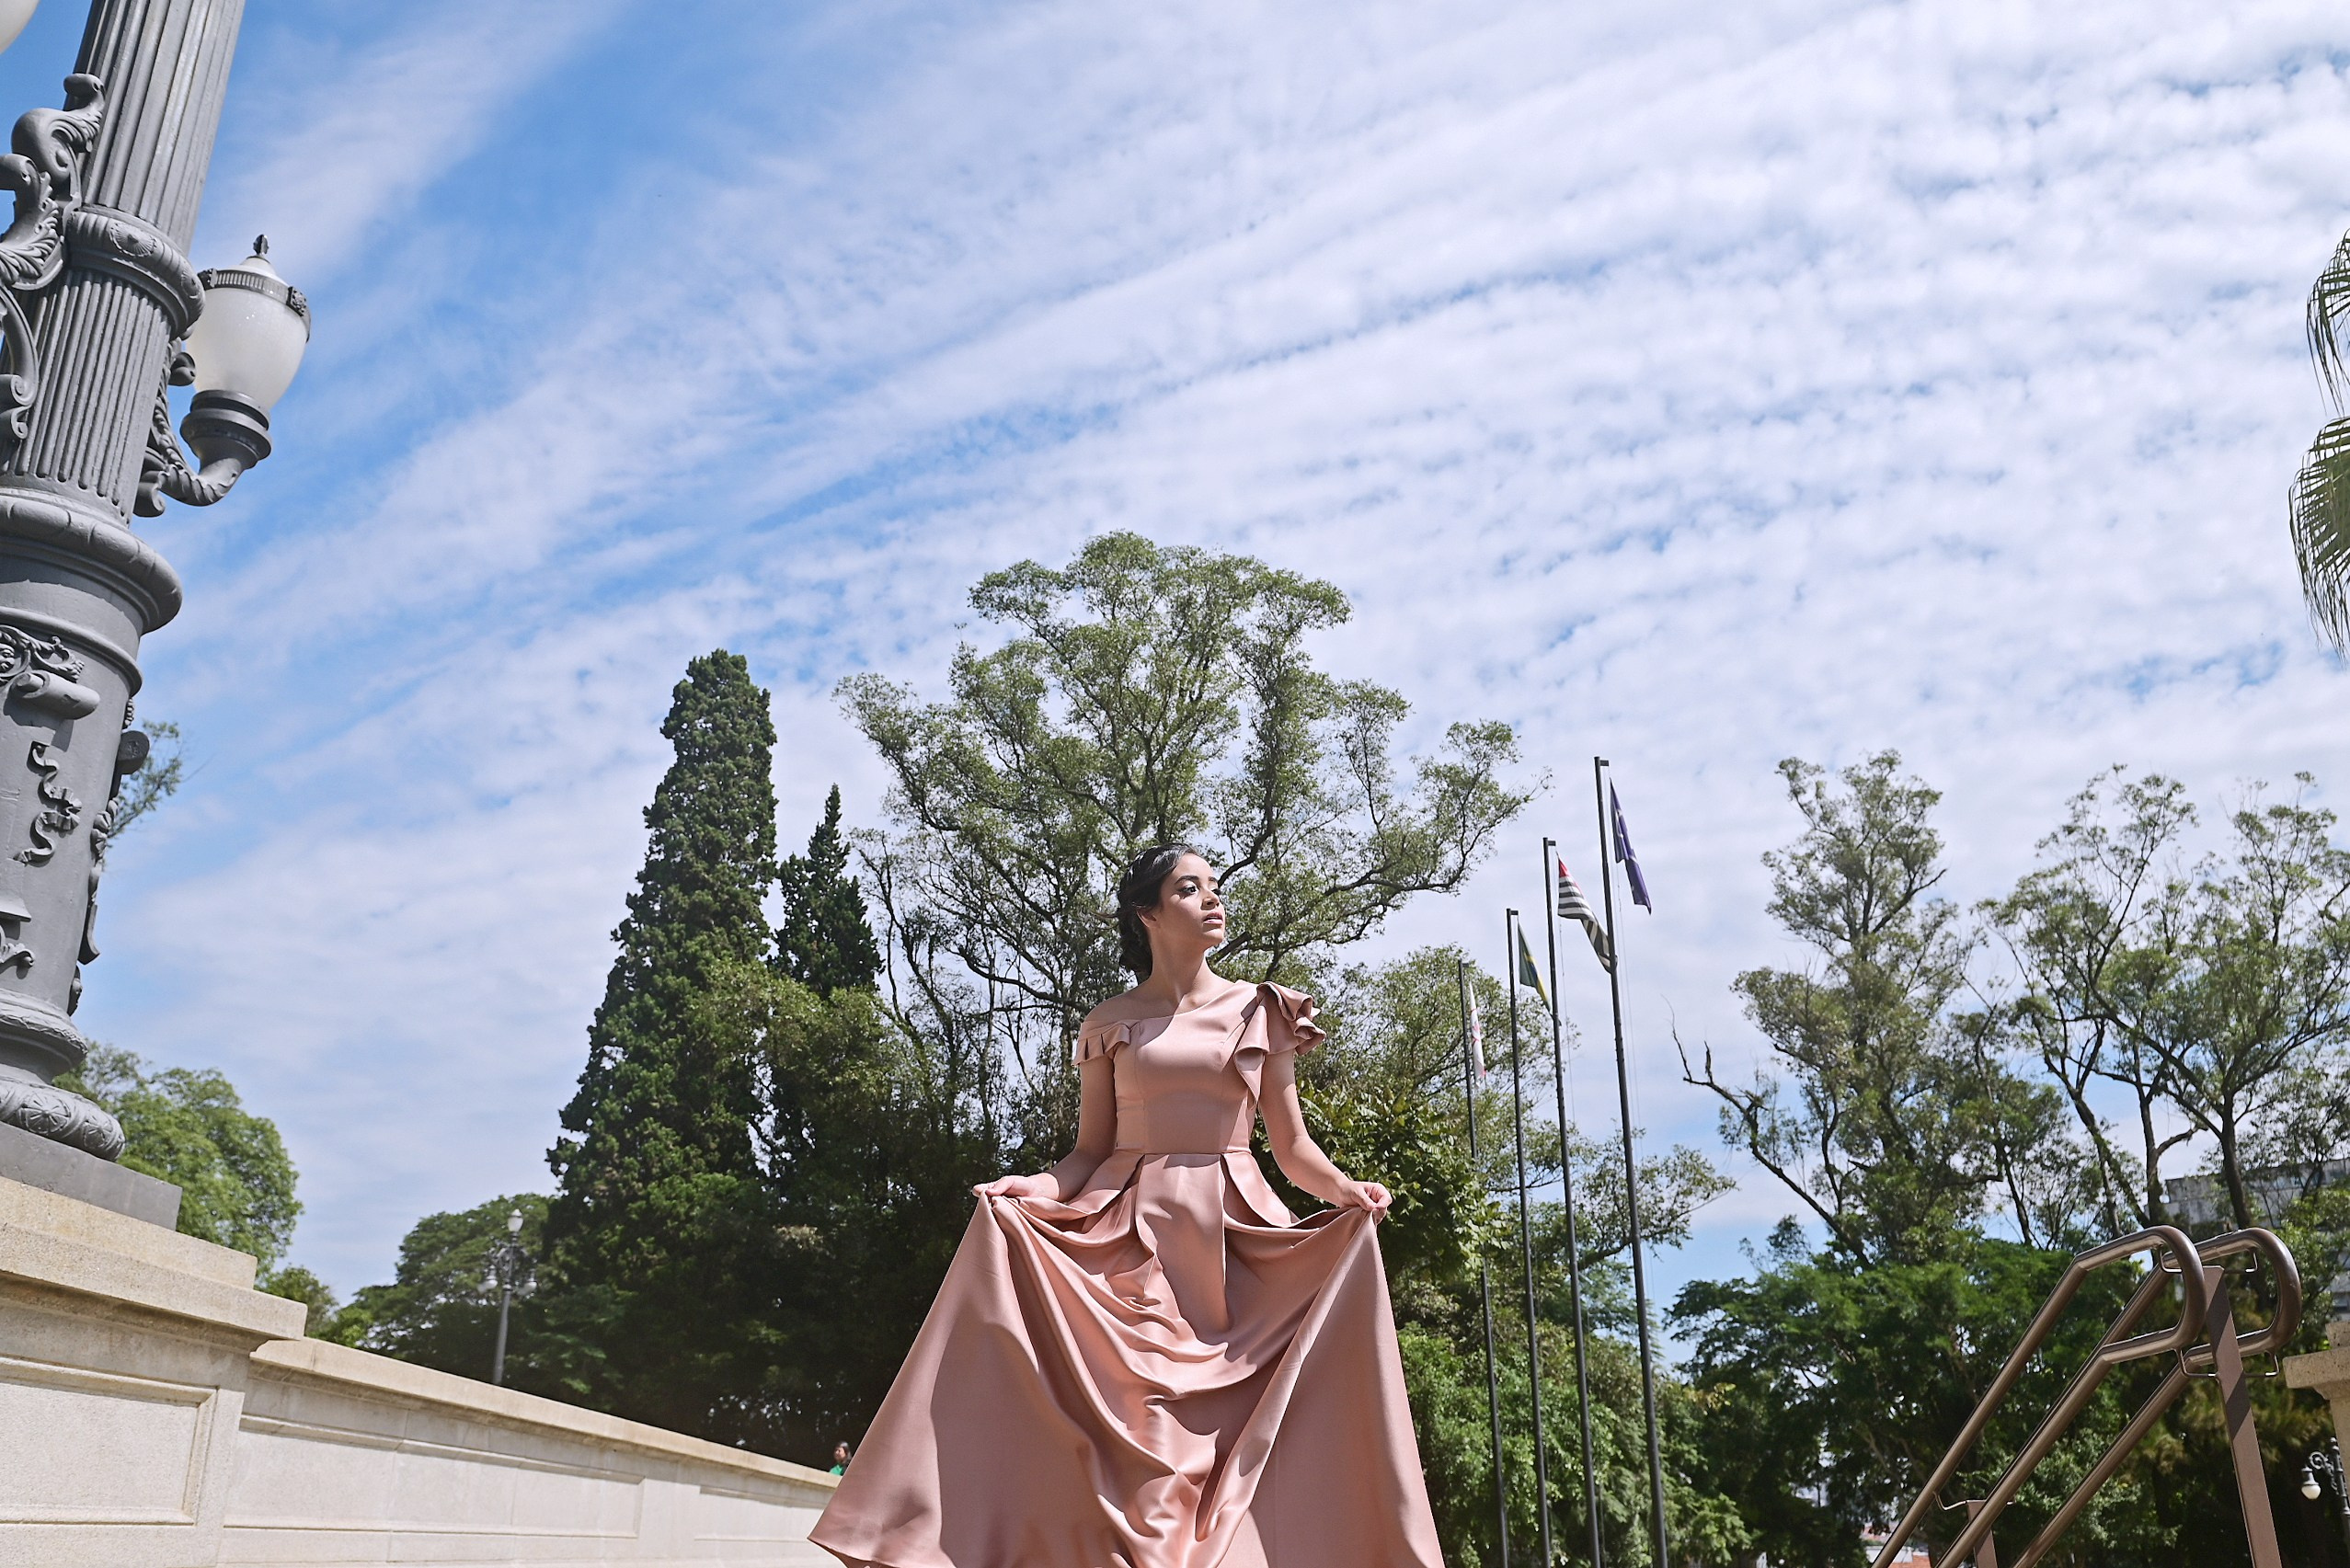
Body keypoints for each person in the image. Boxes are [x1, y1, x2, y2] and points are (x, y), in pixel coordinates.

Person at [810, 844, 1444, 1568]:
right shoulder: (1108, 1021)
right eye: (1189, 888)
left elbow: (1292, 1146)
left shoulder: (1260, 1008)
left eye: (1214, 886)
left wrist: (1346, 1190)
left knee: (1220, 1443)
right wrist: (1033, 1188)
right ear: (1147, 912)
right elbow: (1088, 1151)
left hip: (1232, 1247)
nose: (1213, 899)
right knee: (1147, 1444)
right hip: (1125, 1242)